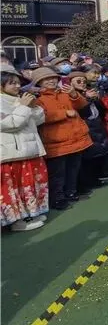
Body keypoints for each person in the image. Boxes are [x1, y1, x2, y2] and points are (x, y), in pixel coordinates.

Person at [31, 67, 94, 210]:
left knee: (73, 168)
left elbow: (83, 106)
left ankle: (71, 192)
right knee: (58, 173)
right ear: (39, 82)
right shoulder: (38, 99)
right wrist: (64, 113)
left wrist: (74, 95)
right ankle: (57, 199)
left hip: (76, 137)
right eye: (46, 79)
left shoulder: (65, 93)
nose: (51, 81)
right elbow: (40, 117)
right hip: (56, 141)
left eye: (53, 78)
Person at [0, 64, 49, 231]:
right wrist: (23, 107)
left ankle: (30, 213)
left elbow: (39, 120)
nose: (17, 86)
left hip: (30, 150)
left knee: (29, 185)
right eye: (12, 83)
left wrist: (33, 106)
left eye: (18, 82)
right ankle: (15, 222)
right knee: (11, 190)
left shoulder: (20, 99)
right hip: (10, 154)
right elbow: (10, 124)